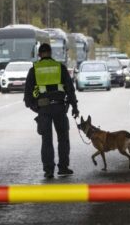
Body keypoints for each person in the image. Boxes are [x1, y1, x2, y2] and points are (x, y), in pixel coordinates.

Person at [24, 43, 80, 179]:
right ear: (50, 53)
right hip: (60, 108)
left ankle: (49, 170)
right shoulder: (60, 68)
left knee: (46, 140)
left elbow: (27, 96)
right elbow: (70, 89)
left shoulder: (34, 70)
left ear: (39, 54)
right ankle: (63, 167)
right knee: (63, 139)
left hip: (43, 109)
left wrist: (36, 108)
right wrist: (74, 107)